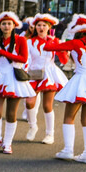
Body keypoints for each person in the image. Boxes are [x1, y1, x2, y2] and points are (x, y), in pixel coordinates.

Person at [0, 12, 36, 154]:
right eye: (3, 24)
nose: (6, 26)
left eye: (9, 23)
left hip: (14, 78)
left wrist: (4, 53)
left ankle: (7, 143)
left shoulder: (21, 40)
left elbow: (23, 58)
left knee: (11, 114)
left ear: (14, 26)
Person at [46, 14, 86, 163]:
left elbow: (49, 47)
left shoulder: (76, 43)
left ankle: (68, 150)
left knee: (69, 116)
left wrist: (50, 38)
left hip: (80, 81)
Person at [24, 13, 69, 144]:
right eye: (39, 25)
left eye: (44, 25)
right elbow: (26, 59)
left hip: (49, 73)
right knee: (29, 102)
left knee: (47, 105)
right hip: (33, 73)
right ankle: (33, 126)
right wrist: (24, 72)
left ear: (49, 27)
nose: (41, 27)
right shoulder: (29, 41)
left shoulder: (54, 41)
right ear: (35, 27)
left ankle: (50, 134)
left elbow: (63, 60)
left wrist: (62, 50)